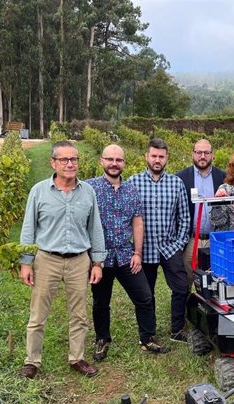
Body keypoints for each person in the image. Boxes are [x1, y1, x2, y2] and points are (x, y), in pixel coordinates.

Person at [18, 141, 107, 379]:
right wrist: (26, 261)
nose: (70, 164)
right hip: (47, 259)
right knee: (37, 314)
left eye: (74, 159)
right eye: (64, 160)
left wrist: (97, 262)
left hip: (79, 261)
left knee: (79, 314)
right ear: (53, 163)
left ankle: (77, 357)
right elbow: (29, 228)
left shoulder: (88, 192)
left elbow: (95, 229)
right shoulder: (39, 191)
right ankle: (32, 361)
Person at [85, 144, 169, 359]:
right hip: (100, 258)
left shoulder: (132, 188)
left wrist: (137, 253)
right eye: (110, 159)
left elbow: (137, 223)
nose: (114, 163)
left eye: (119, 160)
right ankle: (102, 339)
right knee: (101, 301)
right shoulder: (89, 188)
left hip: (125, 255)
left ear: (124, 163)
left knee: (144, 296)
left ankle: (147, 338)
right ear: (102, 161)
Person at [129, 138, 191, 343]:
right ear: (146, 157)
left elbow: (184, 218)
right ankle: (148, 333)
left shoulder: (176, 183)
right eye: (153, 156)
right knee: (146, 294)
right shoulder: (133, 182)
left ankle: (177, 330)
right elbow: (126, 217)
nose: (157, 160)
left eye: (161, 157)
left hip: (169, 247)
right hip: (144, 249)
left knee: (181, 288)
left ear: (167, 159)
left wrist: (179, 244)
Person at [176, 138, 226, 287]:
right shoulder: (181, 177)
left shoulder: (222, 177)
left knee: (214, 279)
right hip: (191, 240)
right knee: (186, 280)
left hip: (215, 239)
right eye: (199, 152)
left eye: (206, 152)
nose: (202, 156)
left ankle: (209, 308)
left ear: (212, 155)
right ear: (193, 154)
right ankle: (186, 309)